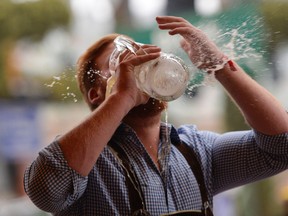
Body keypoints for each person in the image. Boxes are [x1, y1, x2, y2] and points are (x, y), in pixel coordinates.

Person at [24, 16, 288, 216]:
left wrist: (218, 65)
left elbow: (282, 146)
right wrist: (121, 97)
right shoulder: (85, 162)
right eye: (123, 62)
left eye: (145, 55)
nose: (141, 64)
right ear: (96, 94)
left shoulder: (196, 150)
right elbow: (46, 191)